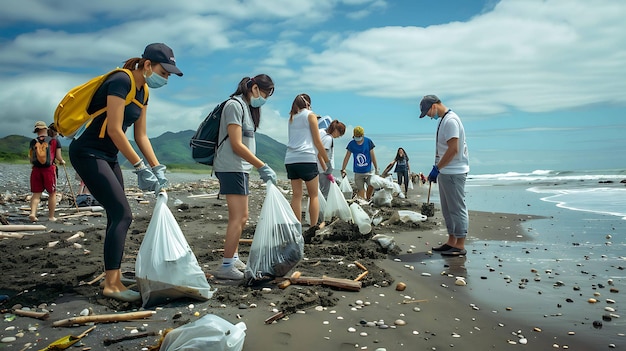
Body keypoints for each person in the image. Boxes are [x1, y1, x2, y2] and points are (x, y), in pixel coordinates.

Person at [69, 43, 182, 302]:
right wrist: (139, 167)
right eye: (164, 72)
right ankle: (111, 285)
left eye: (169, 75)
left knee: (117, 215)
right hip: (87, 152)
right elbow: (115, 130)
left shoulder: (144, 93)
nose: (166, 78)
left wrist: (157, 168)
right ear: (147, 65)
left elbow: (140, 135)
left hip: (108, 155)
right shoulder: (122, 80)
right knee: (123, 213)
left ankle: (115, 276)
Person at [213, 74, 277, 280]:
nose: (265, 99)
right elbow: (236, 144)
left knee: (243, 216)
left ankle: (232, 258)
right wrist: (262, 165)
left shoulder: (247, 109)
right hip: (232, 167)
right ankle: (225, 266)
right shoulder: (234, 105)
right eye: (265, 94)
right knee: (238, 217)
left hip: (241, 168)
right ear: (255, 88)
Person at [419, 94, 470, 256]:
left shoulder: (450, 121)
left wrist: (437, 168)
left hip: (454, 171)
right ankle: (451, 241)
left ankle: (460, 245)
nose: (428, 116)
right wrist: (438, 169)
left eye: (427, 112)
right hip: (446, 171)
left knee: (457, 208)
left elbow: (453, 149)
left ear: (434, 106)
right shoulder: (444, 120)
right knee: (448, 209)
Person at [285, 94, 330, 227]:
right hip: (306, 158)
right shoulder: (311, 115)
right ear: (308, 103)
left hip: (290, 159)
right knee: (313, 195)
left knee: (296, 196)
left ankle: (296, 227)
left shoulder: (291, 118)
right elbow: (317, 141)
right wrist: (326, 161)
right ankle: (312, 228)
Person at [28, 121, 65, 222]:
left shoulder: (33, 141)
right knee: (52, 193)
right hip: (49, 170)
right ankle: (51, 216)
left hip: (36, 170)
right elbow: (58, 157)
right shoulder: (54, 141)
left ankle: (32, 213)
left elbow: (31, 158)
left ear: (36, 131)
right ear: (45, 129)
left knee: (36, 194)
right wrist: (62, 161)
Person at [340, 126, 379, 200]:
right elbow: (347, 157)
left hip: (369, 171)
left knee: (371, 185)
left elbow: (373, 156)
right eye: (356, 136)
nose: (357, 138)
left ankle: (368, 199)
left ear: (362, 135)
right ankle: (363, 203)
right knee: (361, 190)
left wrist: (376, 168)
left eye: (359, 136)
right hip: (358, 172)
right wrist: (343, 169)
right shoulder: (351, 144)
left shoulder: (368, 142)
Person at [317, 120, 346, 199]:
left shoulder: (325, 136)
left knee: (323, 191)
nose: (339, 136)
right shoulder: (328, 139)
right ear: (336, 130)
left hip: (321, 170)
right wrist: (327, 170)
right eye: (340, 134)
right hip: (323, 170)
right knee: (325, 193)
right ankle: (323, 210)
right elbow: (321, 155)